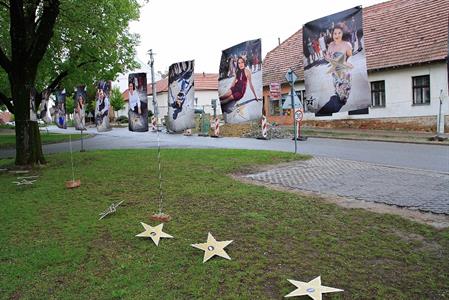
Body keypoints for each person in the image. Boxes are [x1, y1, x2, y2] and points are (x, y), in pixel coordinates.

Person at [316, 25, 353, 116]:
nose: (337, 35)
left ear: (342, 33)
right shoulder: (331, 45)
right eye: (335, 33)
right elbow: (329, 58)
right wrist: (327, 58)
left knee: (343, 94)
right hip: (335, 72)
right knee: (337, 90)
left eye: (339, 33)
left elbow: (350, 59)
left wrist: (342, 62)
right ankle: (338, 105)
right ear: (332, 34)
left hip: (344, 71)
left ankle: (342, 103)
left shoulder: (347, 44)